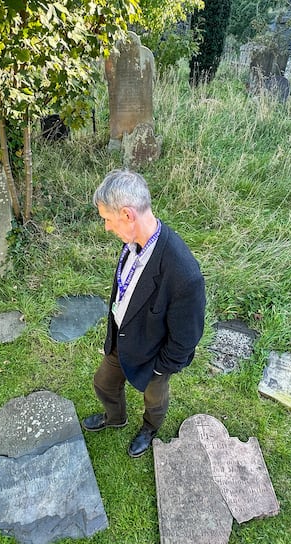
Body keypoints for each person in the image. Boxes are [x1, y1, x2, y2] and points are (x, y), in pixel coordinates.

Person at [82, 169, 206, 457]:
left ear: (127, 215)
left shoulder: (184, 274)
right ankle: (115, 418)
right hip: (122, 340)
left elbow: (186, 338)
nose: (106, 228)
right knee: (103, 384)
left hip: (154, 355)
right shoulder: (132, 242)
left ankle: (149, 429)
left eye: (107, 220)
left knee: (154, 400)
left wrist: (161, 368)